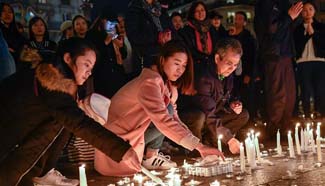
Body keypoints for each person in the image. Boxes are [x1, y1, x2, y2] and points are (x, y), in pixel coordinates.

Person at [0, 38, 133, 186]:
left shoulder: (61, 81)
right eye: (86, 65)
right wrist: (122, 151)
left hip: (14, 136)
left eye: (91, 69)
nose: (89, 72)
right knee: (65, 120)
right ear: (68, 58)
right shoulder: (51, 84)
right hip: (6, 144)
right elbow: (79, 123)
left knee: (64, 121)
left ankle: (43, 172)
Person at [94, 40, 224, 176]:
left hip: (134, 135)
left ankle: (151, 156)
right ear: (162, 60)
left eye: (184, 66)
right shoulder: (149, 83)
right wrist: (199, 146)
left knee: (169, 110)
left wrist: (198, 146)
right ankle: (150, 157)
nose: (180, 70)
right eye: (176, 63)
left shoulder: (165, 84)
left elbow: (174, 119)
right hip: (118, 144)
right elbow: (163, 119)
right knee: (167, 111)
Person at [254, 0, 303, 136]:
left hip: (286, 53)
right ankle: (274, 128)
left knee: (290, 93)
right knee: (278, 93)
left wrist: (291, 17)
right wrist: (288, 17)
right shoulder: (266, 4)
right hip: (274, 54)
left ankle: (286, 126)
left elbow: (289, 26)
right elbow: (271, 29)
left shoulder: (282, 3)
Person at [193, 38, 249, 154]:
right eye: (229, 63)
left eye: (235, 65)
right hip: (202, 118)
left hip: (215, 115)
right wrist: (229, 139)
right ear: (217, 58)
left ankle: (212, 141)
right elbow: (208, 113)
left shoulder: (227, 73)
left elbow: (228, 95)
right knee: (199, 117)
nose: (232, 68)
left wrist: (233, 103)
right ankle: (196, 147)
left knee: (242, 115)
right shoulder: (204, 77)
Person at [294, 1, 325, 118]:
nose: (307, 12)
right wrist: (307, 35)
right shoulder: (297, 29)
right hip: (303, 62)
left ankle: (320, 114)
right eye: (305, 10)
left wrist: (314, 33)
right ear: (301, 13)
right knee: (305, 90)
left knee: (320, 89)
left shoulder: (321, 27)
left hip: (319, 61)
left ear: (314, 11)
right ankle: (306, 115)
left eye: (310, 9)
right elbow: (297, 46)